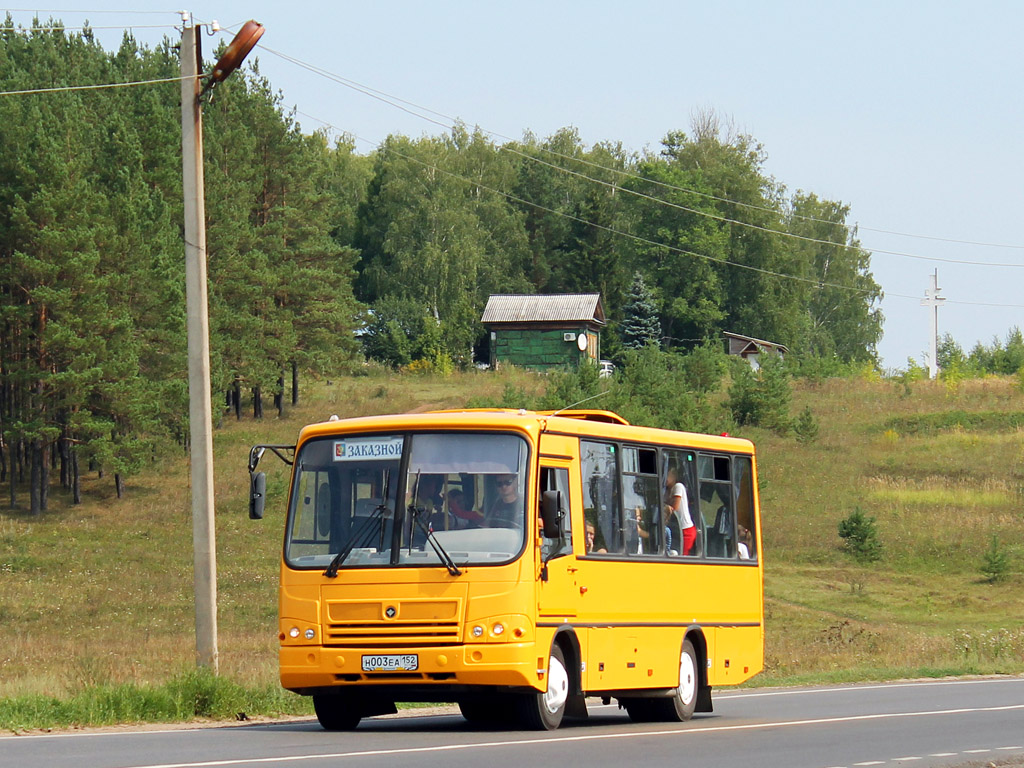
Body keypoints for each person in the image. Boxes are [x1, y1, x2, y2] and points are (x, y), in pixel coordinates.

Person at [664, 465, 697, 556]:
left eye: (667, 475)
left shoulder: (678, 486)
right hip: (676, 529)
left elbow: (675, 507)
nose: (665, 478)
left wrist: (666, 506)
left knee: (683, 556)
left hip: (685, 529)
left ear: (674, 476)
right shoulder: (666, 491)